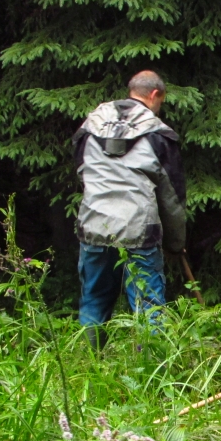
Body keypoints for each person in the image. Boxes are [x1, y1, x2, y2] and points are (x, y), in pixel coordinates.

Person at [73, 70, 186, 347]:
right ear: (155, 94)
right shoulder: (159, 135)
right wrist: (176, 243)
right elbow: (171, 198)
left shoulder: (90, 128)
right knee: (148, 308)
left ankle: (89, 367)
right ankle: (150, 376)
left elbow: (81, 174)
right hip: (139, 229)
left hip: (94, 225)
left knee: (94, 299)